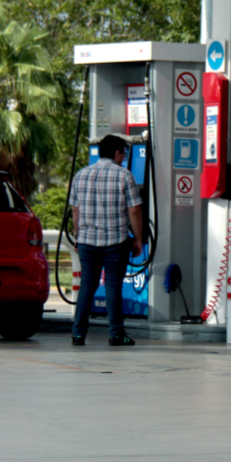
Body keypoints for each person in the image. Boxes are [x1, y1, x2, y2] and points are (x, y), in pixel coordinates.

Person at [68, 135, 145, 347]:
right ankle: (116, 334)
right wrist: (138, 239)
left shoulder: (80, 175)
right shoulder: (124, 176)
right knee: (113, 286)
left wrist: (78, 235)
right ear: (117, 153)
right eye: (123, 154)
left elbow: (75, 210)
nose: (124, 158)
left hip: (87, 241)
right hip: (115, 241)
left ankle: (78, 334)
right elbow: (134, 210)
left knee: (87, 285)